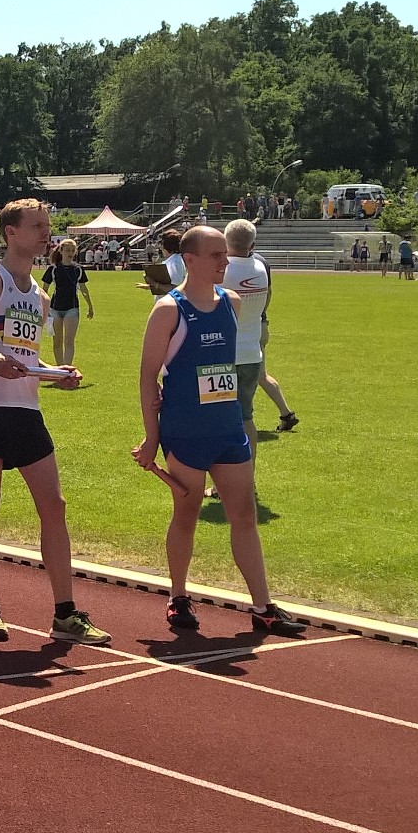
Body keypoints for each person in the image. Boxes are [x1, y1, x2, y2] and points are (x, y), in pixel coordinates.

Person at [0, 198, 111, 646]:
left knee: (54, 506)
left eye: (47, 226)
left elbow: (27, 357)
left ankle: (65, 613)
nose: (46, 233)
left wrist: (56, 373)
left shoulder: (41, 296)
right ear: (11, 233)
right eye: (37, 226)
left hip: (26, 411)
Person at [133, 225, 306, 637]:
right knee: (187, 514)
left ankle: (263, 607)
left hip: (228, 429)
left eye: (225, 254)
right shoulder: (168, 310)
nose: (224, 262)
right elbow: (147, 378)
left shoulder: (232, 302)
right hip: (186, 433)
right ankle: (178, 597)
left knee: (244, 515)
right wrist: (152, 438)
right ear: (189, 260)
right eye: (215, 255)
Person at [221, 220, 279, 477]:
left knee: (221, 420)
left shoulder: (223, 268)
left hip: (223, 354)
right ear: (252, 244)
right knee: (246, 417)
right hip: (251, 353)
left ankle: (225, 480)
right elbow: (266, 301)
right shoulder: (260, 267)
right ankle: (247, 478)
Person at [41, 238, 94, 367]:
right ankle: (60, 369)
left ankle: (67, 369)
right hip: (55, 308)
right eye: (67, 250)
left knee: (69, 341)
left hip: (72, 308)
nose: (70, 253)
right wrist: (43, 307)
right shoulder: (53, 269)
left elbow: (83, 289)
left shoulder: (78, 269)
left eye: (72, 250)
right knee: (57, 341)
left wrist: (90, 306)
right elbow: (44, 290)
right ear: (61, 251)